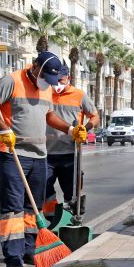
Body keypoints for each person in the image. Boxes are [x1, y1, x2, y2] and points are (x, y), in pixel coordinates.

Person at [0, 52, 87, 267]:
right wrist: (2, 129)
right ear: (35, 66)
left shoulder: (46, 87)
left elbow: (49, 115)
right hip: (13, 153)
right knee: (13, 210)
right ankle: (13, 260)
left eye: (51, 79)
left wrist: (69, 130)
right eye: (45, 76)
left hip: (39, 156)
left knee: (31, 207)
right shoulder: (12, 81)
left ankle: (28, 249)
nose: (47, 82)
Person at [42, 65, 100, 219]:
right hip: (46, 153)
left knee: (72, 192)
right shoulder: (45, 93)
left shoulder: (79, 95)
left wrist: (85, 128)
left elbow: (95, 116)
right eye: (54, 81)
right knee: (43, 187)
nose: (57, 84)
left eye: (60, 80)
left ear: (67, 78)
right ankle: (53, 219)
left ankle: (72, 219)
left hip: (70, 154)